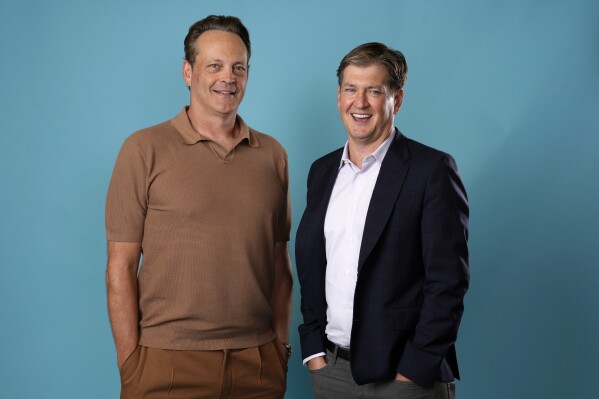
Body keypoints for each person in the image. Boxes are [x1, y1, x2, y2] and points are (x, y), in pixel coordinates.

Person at [105, 15, 292, 399]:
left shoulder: (272, 155)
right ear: (188, 72)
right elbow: (120, 267)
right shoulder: (143, 149)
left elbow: (279, 265)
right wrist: (131, 366)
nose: (229, 77)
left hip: (257, 364)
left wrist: (279, 349)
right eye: (215, 66)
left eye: (239, 67)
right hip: (166, 362)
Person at [295, 42, 469, 399]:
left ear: (397, 100)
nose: (360, 103)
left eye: (374, 91)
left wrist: (413, 371)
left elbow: (448, 282)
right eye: (350, 89)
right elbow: (313, 266)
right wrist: (313, 351)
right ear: (339, 96)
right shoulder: (322, 171)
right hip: (331, 372)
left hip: (403, 378)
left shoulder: (432, 170)